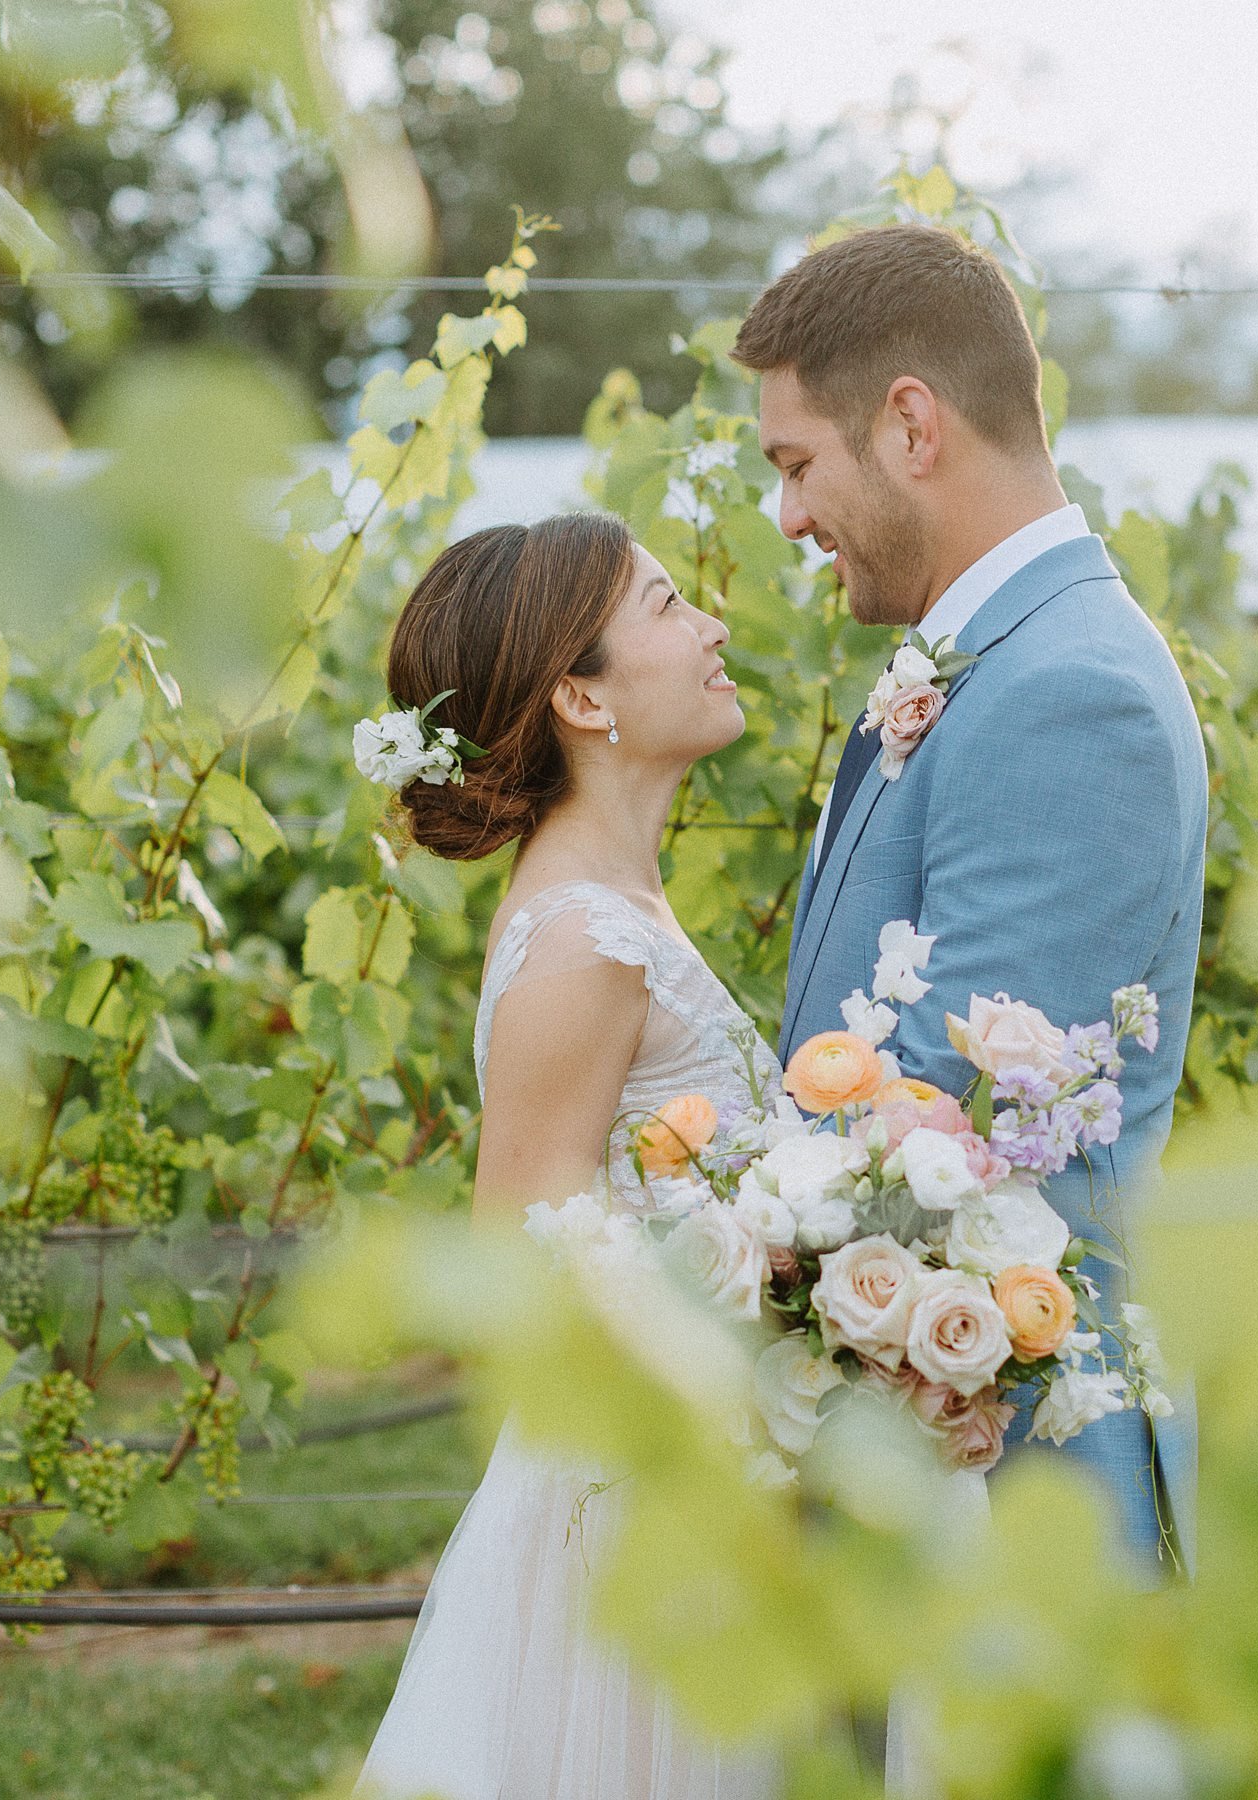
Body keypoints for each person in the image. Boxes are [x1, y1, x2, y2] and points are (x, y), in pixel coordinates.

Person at [738, 222, 1207, 1577]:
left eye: (795, 465)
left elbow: (961, 1136)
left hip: (1023, 1498)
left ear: (909, 424)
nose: (789, 516)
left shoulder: (1071, 691)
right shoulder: (997, 657)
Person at [356, 511, 779, 1800]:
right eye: (667, 605)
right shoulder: (587, 939)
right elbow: (521, 1268)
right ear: (581, 695)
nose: (713, 625)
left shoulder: (618, 906)